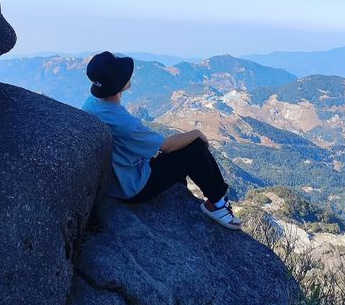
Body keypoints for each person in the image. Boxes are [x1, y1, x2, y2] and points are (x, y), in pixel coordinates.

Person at [82, 51, 242, 230]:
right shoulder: (123, 122)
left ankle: (181, 192)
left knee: (178, 158)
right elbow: (167, 146)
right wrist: (196, 133)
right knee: (194, 148)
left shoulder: (92, 103)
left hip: (116, 180)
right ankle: (218, 204)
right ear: (119, 84)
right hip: (133, 187)